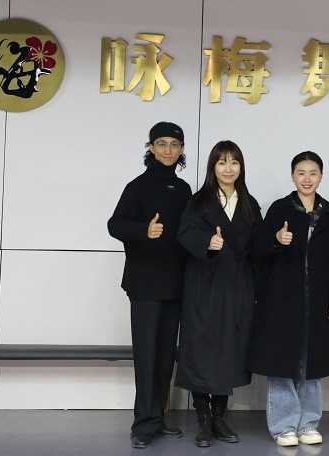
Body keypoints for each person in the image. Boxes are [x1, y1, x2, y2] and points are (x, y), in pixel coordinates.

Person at [249, 151, 329, 447]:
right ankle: (283, 426)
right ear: (292, 176)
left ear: (321, 176)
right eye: (301, 173)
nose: (307, 179)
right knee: (282, 360)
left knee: (311, 360)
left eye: (313, 173)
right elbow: (257, 251)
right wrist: (276, 240)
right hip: (281, 296)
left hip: (318, 296)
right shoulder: (279, 209)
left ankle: (308, 424)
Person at [107, 122, 192, 449]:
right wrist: (144, 230)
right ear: (151, 147)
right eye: (162, 143)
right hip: (144, 284)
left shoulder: (183, 189)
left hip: (175, 285)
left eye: (174, 144)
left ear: (181, 150)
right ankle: (143, 424)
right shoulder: (138, 186)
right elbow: (115, 225)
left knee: (165, 357)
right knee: (146, 356)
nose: (168, 150)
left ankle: (157, 418)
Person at [176, 140, 262, 448]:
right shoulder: (199, 201)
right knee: (200, 347)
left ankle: (219, 417)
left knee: (229, 349)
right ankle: (202, 417)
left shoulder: (249, 203)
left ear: (241, 167)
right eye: (222, 162)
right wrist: (207, 243)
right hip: (205, 283)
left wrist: (276, 241)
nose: (228, 168)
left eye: (234, 162)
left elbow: (259, 247)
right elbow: (184, 233)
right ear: (213, 167)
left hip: (237, 286)